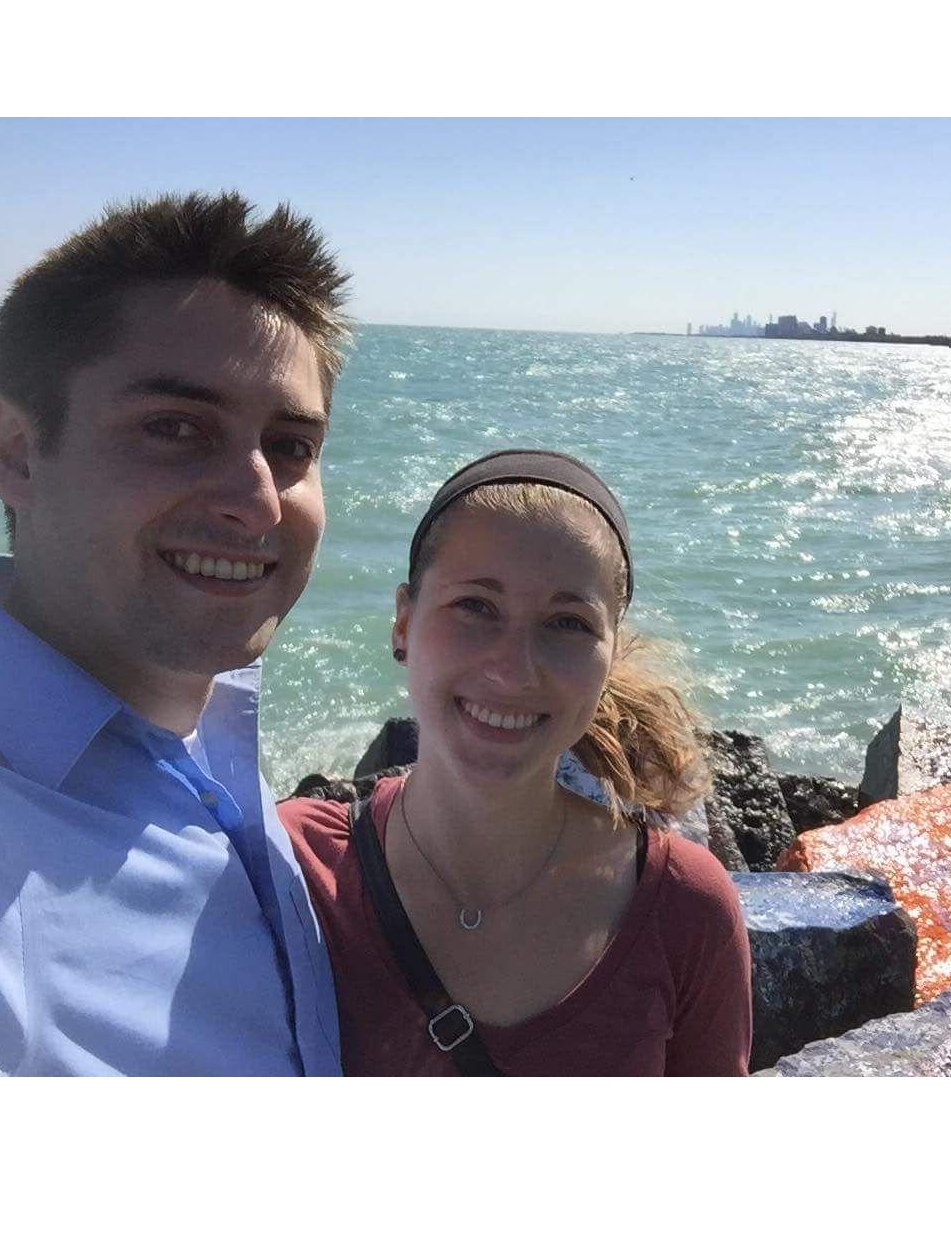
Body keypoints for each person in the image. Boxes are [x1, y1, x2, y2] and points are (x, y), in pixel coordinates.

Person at [0, 192, 351, 1075]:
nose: (258, 501)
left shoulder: (209, 728)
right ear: (16, 452)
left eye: (292, 446)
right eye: (175, 427)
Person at [280, 450, 753, 1075]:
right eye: (476, 606)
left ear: (611, 653)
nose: (514, 669)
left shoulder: (683, 906)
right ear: (403, 623)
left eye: (567, 623)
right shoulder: (289, 867)